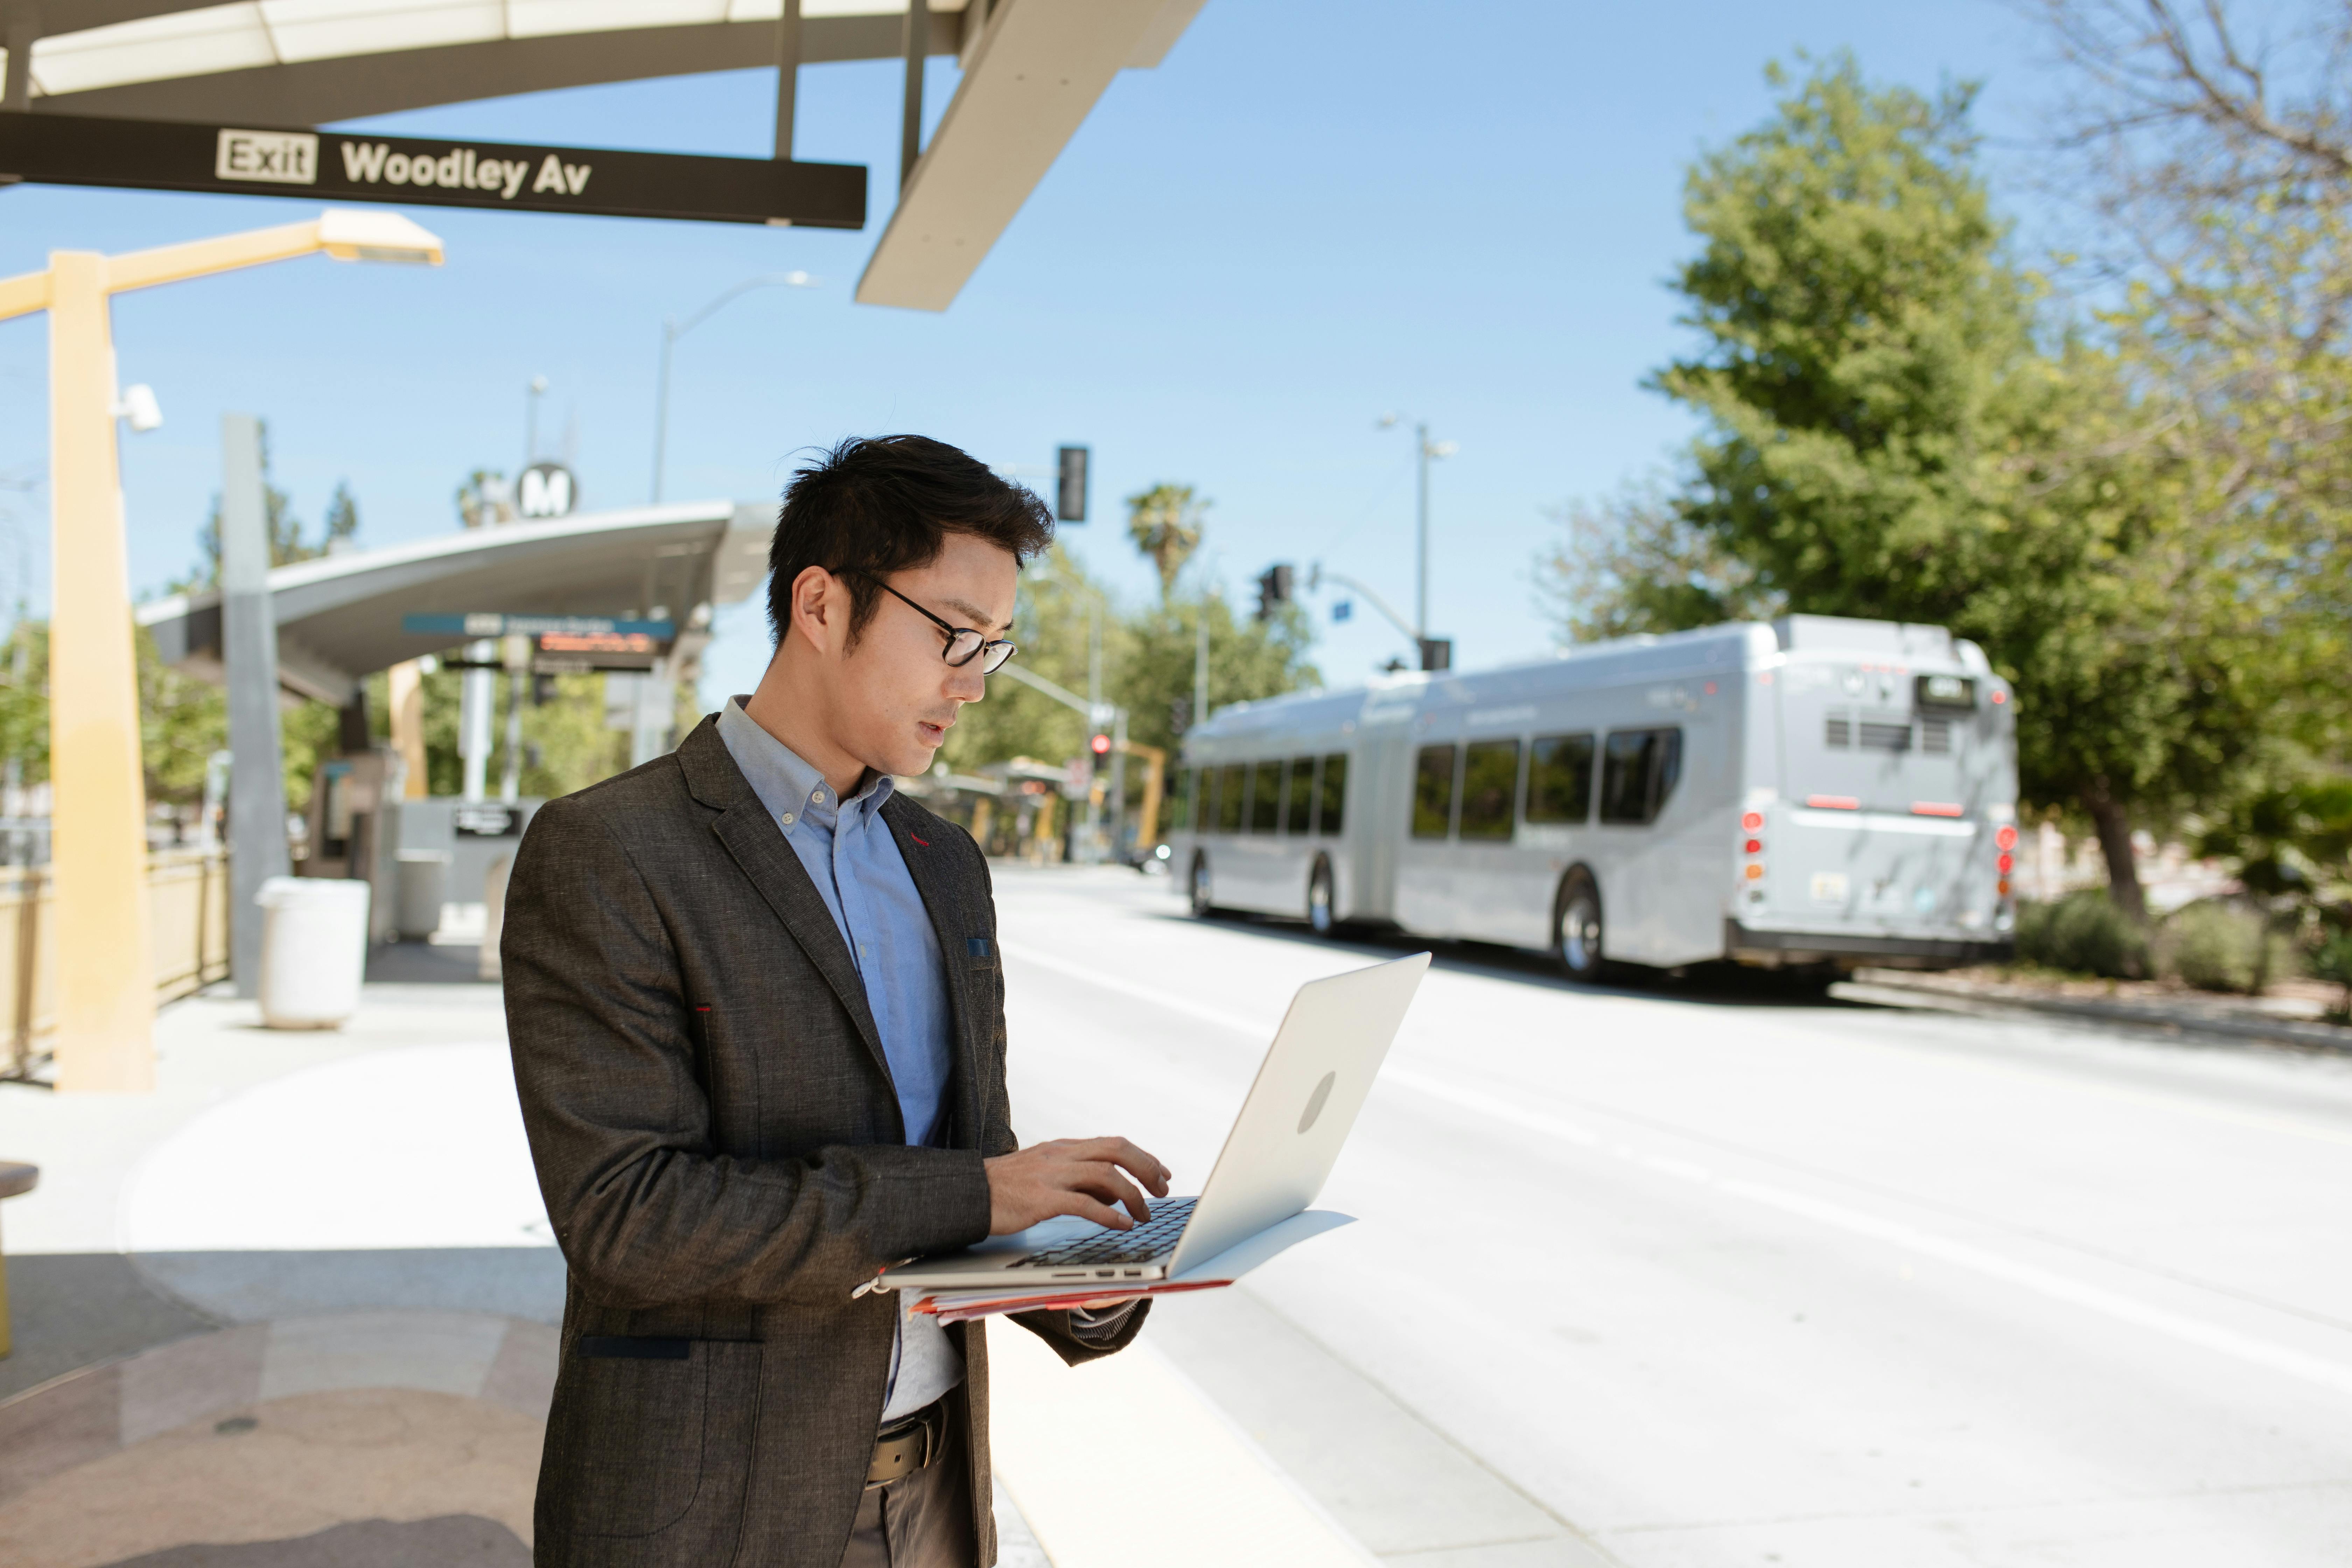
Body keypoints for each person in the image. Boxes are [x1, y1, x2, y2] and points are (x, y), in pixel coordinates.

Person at [502, 434, 1171, 1568]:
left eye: (995, 647)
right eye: (953, 633)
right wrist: (977, 1191)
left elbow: (973, 1174)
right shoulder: (609, 851)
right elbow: (630, 1219)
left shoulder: (945, 864)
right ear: (821, 604)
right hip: (711, 1517)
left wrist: (1090, 1275)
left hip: (936, 1501)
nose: (973, 680)